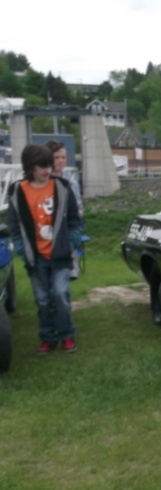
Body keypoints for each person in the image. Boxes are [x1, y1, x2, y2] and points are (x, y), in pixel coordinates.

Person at [6, 144, 82, 353]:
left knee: (60, 294)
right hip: (35, 257)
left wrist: (70, 244)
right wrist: (22, 250)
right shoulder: (16, 191)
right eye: (42, 166)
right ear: (30, 167)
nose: (47, 170)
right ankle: (48, 337)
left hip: (60, 254)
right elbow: (14, 225)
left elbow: (75, 221)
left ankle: (66, 335)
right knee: (42, 300)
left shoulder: (63, 187)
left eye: (49, 165)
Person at [45, 140, 83, 279]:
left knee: (63, 281)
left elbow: (79, 210)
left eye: (63, 157)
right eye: (56, 157)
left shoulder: (71, 183)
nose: (61, 161)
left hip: (65, 235)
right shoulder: (40, 182)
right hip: (44, 236)